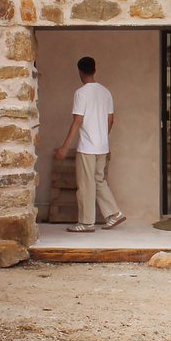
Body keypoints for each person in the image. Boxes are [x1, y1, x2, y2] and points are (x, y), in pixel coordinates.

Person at [54, 56, 125, 233]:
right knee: (99, 181)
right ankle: (114, 213)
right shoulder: (105, 92)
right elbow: (111, 120)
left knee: (86, 185)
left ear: (79, 71)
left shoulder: (81, 93)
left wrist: (64, 147)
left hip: (87, 147)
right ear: (95, 69)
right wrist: (102, 138)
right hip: (102, 146)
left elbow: (77, 121)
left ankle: (86, 222)